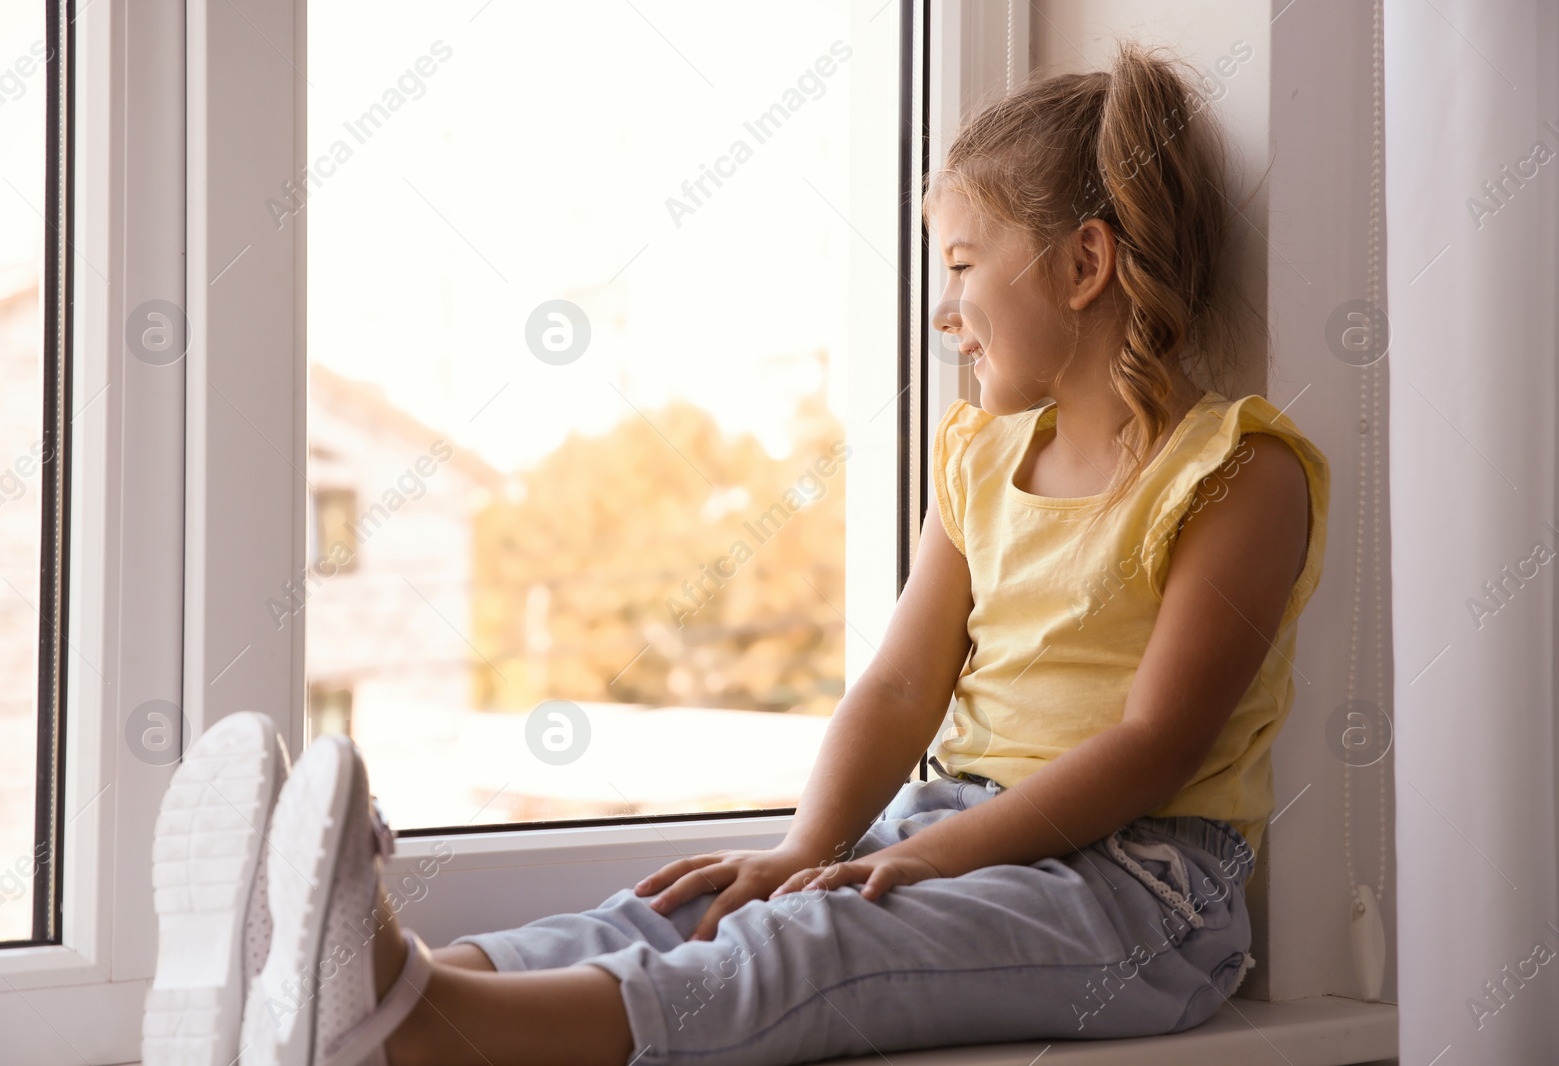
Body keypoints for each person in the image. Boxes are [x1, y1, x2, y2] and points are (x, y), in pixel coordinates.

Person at [142, 39, 1329, 1066]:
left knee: (811, 943)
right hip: (954, 832)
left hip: (1144, 898)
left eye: (963, 264)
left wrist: (919, 863)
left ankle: (418, 1025)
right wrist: (805, 844)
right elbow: (903, 684)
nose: (941, 307)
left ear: (1083, 264)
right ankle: (340, 990)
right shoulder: (976, 459)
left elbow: (1149, 746)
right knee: (707, 903)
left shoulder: (1236, 472)